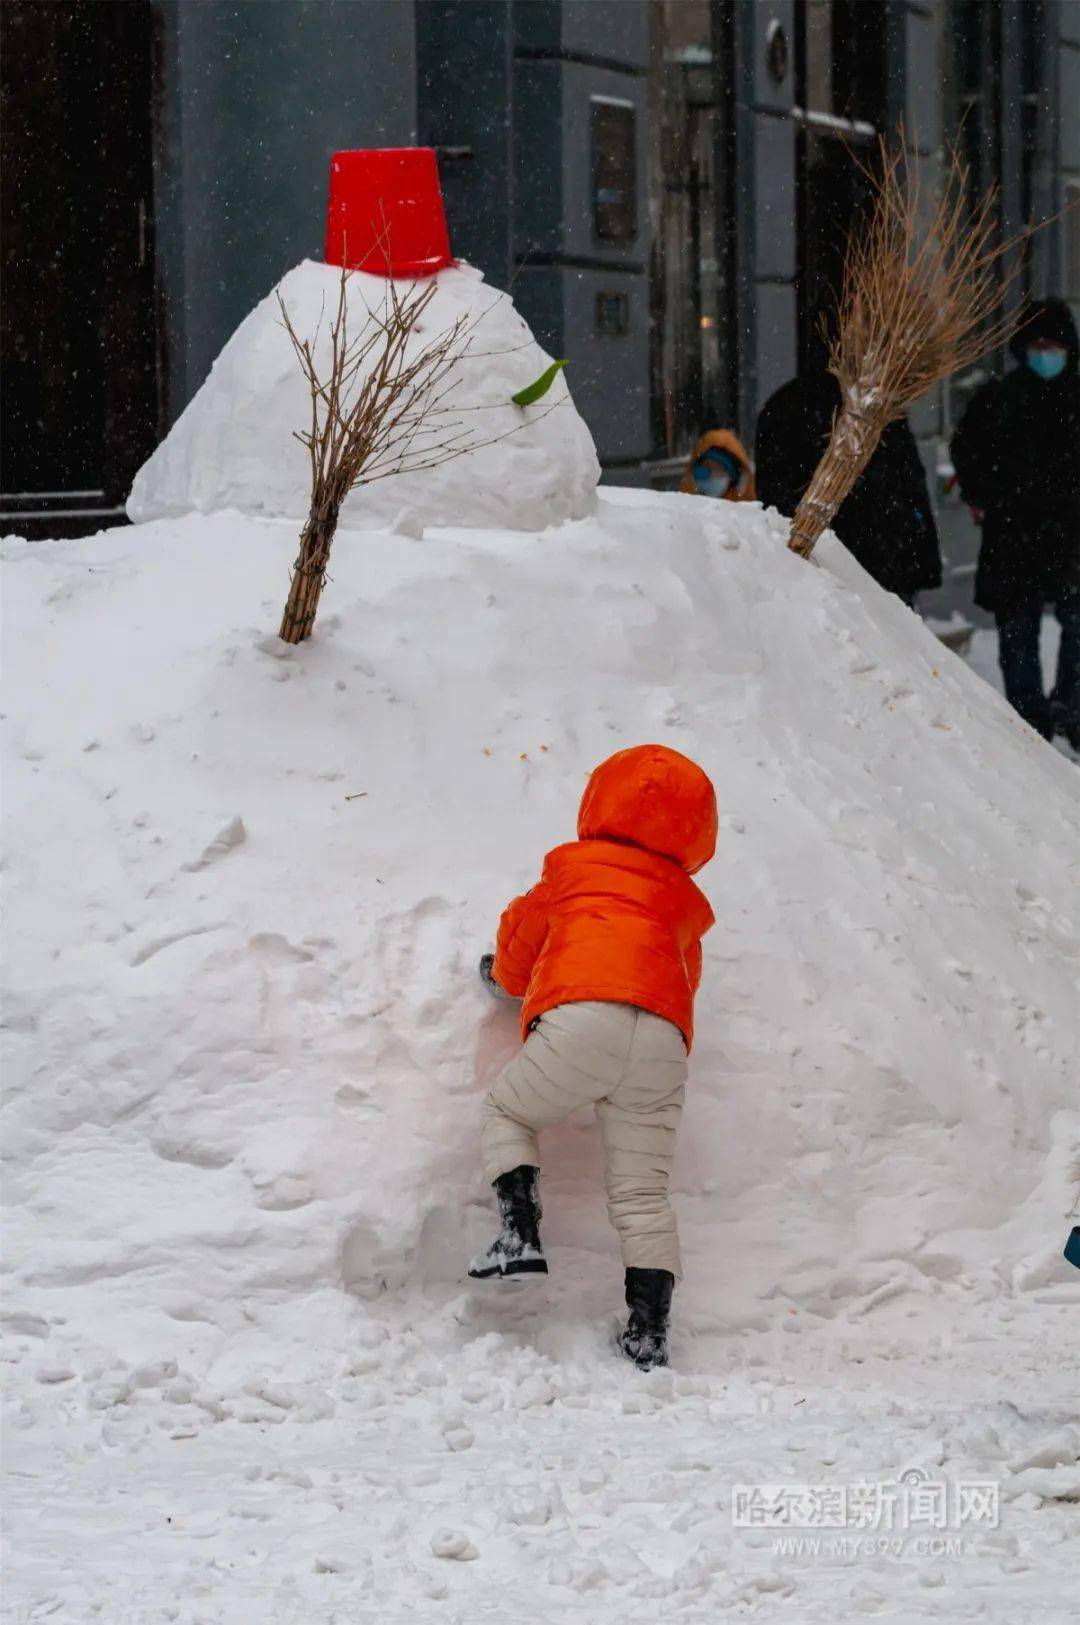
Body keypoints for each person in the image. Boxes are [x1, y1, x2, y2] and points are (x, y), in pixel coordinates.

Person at [470, 743, 717, 1371]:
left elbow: (521, 943)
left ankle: (519, 1235)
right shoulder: (683, 905)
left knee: (508, 1112)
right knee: (644, 1193)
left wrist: (503, 979)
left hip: (582, 1020)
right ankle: (648, 1333)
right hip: (662, 1041)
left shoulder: (572, 870)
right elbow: (685, 980)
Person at [950, 299, 1080, 746]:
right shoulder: (998, 400)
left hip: (1070, 535)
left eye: (1053, 346)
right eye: (1037, 346)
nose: (1046, 355)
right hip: (1014, 536)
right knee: (1017, 634)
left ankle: (1070, 709)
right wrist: (988, 497)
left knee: (1075, 625)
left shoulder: (1072, 398)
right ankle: (1029, 724)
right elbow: (967, 453)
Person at [755, 368, 942, 605]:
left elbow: (909, 482)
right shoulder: (874, 406)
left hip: (851, 563)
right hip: (860, 563)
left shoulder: (877, 405)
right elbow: (909, 483)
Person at [680, 430, 755, 501]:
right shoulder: (683, 505)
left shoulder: (744, 509)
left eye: (718, 469)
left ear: (732, 477)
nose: (711, 476)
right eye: (706, 467)